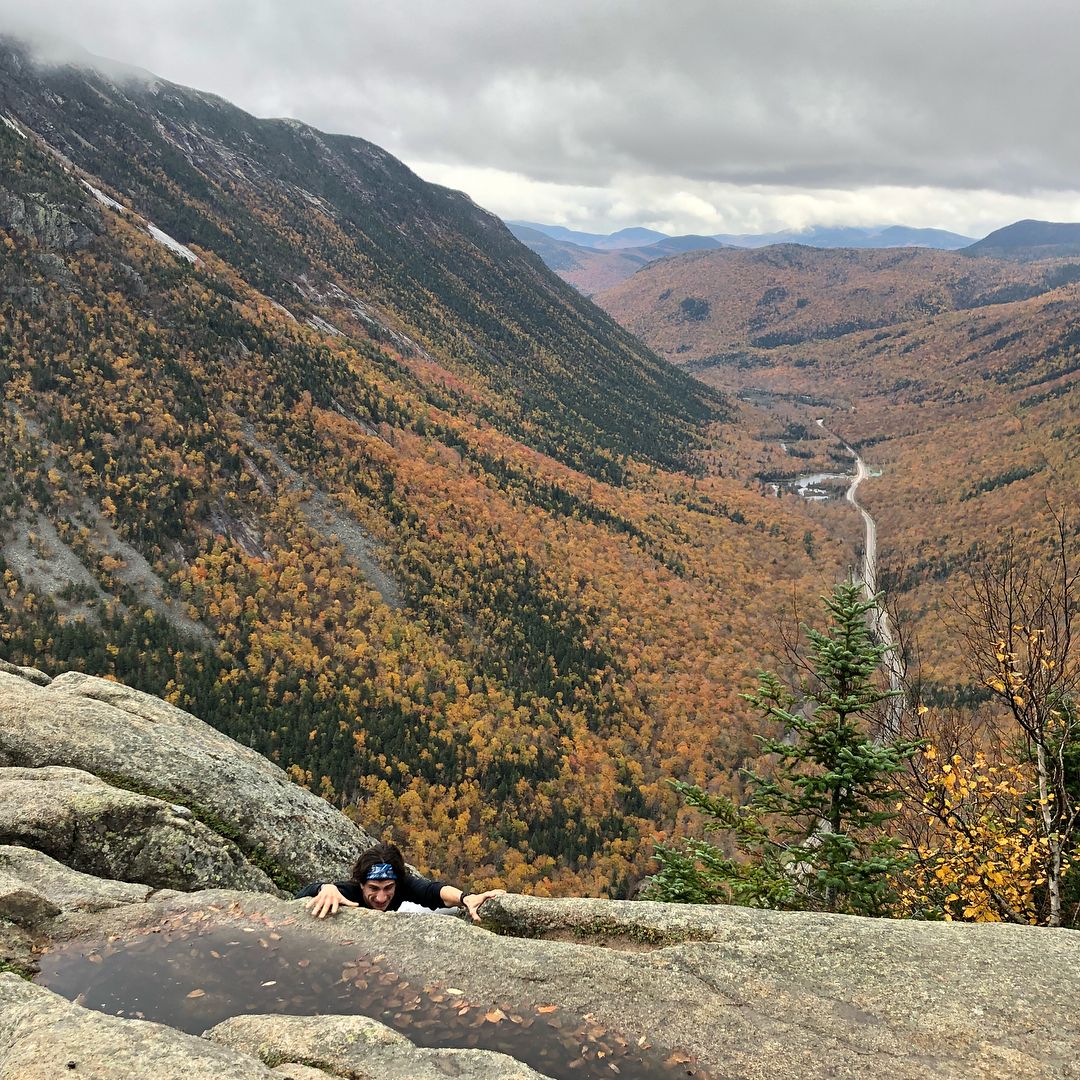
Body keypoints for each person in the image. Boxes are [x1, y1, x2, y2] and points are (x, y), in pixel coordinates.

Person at [296, 841, 504, 922]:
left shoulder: (402, 886)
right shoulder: (347, 893)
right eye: (373, 888)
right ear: (360, 884)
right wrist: (325, 887)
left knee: (446, 912)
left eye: (388, 888)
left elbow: (432, 891)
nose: (381, 897)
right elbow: (301, 896)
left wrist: (466, 898)